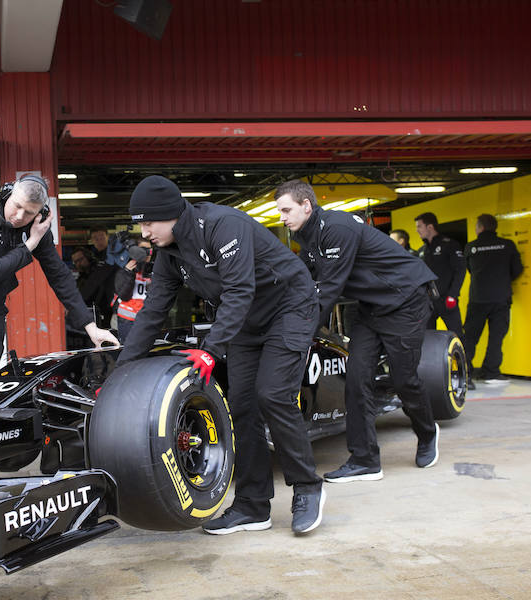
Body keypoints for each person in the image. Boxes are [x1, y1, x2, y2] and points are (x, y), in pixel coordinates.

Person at [117, 175, 325, 536]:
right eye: (141, 225)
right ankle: (252, 505)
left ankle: (307, 487)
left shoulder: (222, 225)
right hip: (245, 321)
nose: (145, 232)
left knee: (273, 394)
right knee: (241, 405)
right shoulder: (168, 253)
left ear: (170, 215)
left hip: (289, 306)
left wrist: (211, 350)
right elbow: (153, 312)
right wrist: (119, 373)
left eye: (148, 223)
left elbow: (240, 289)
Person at [275, 179, 440, 483]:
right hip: (371, 307)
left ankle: (427, 433)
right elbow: (298, 283)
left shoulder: (337, 228)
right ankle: (365, 461)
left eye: (286, 210)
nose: (282, 217)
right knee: (356, 379)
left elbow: (328, 291)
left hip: (406, 300)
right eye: (280, 211)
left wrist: (299, 337)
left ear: (306, 206)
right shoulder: (308, 239)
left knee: (403, 379)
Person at [0, 175, 118, 393]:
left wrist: (91, 327)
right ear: (9, 193)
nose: (19, 216)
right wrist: (31, 243)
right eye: (16, 206)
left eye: (29, 213)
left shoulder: (37, 228)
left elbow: (59, 276)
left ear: (40, 213)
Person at [463, 213, 524, 384]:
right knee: (496, 337)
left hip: (478, 298)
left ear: (481, 228)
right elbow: (517, 269)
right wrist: (502, 279)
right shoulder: (507, 245)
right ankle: (491, 372)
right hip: (500, 298)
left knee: (470, 337)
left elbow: (470, 269)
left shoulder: (470, 247)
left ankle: (464, 371)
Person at [415, 212, 466, 342]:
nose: (417, 230)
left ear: (430, 227)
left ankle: (464, 363)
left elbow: (460, 270)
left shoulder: (449, 245)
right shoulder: (422, 251)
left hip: (447, 300)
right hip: (428, 302)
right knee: (426, 338)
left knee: (457, 337)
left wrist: (453, 295)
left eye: (419, 226)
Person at [66, 246, 118, 349]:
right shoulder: (81, 279)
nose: (78, 264)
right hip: (94, 317)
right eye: (75, 262)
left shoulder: (100, 270)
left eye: (80, 260)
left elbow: (87, 294)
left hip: (108, 313)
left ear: (88, 257)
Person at [113, 237, 153, 343]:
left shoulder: (154, 269)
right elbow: (124, 294)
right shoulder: (126, 269)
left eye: (149, 250)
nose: (147, 253)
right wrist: (129, 273)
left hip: (147, 320)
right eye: (143, 250)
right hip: (128, 320)